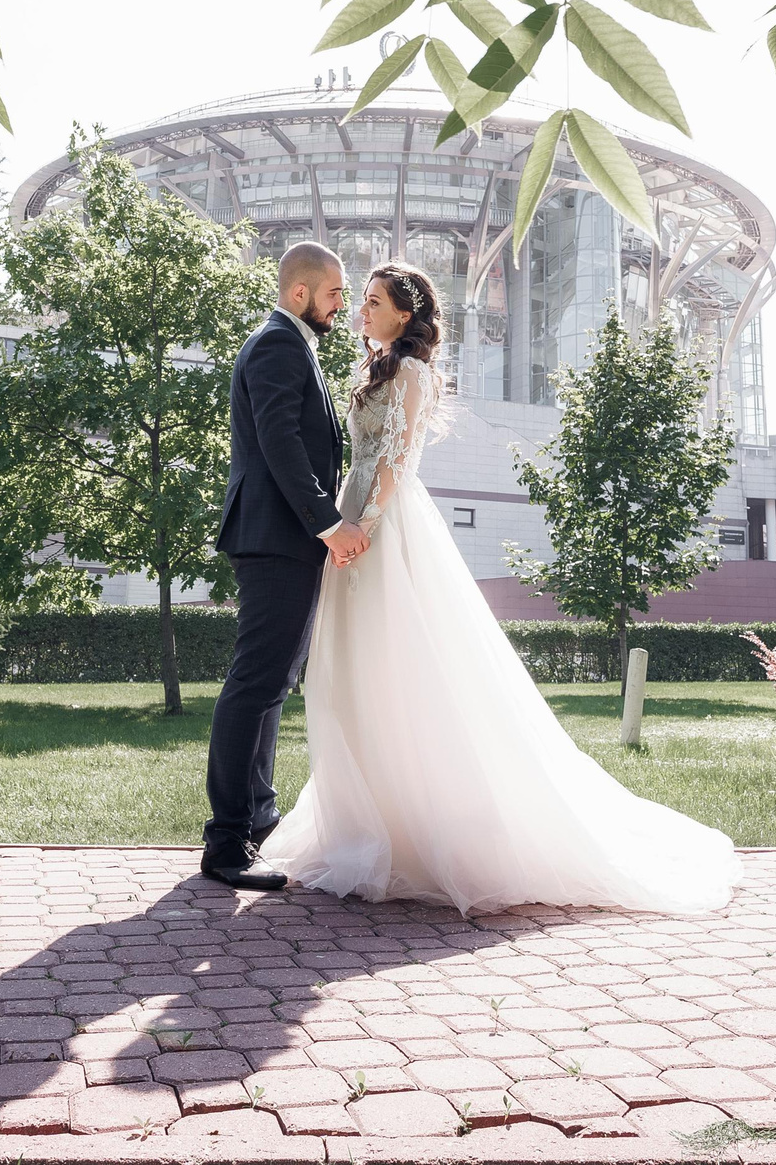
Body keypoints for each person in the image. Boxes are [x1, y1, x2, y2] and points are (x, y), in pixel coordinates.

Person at [258, 261, 742, 917]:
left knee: (396, 664)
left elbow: (397, 462)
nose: (360, 310)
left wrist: (361, 529)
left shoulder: (412, 373)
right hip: (352, 518)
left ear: (404, 313)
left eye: (372, 301)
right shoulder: (377, 367)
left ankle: (415, 828)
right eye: (360, 299)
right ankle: (365, 818)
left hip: (381, 526)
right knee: (354, 669)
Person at [201, 242, 368, 891]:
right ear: (300, 292)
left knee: (271, 682)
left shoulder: (293, 344)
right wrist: (328, 522)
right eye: (334, 292)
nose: (341, 304)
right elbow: (280, 440)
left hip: (283, 538)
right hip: (276, 538)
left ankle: (258, 819)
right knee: (255, 682)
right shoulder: (277, 343)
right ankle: (226, 842)